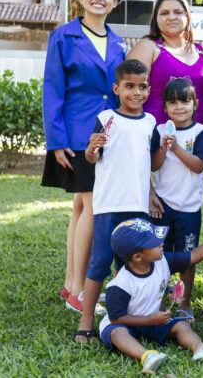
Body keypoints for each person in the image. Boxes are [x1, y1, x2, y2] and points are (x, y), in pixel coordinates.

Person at [42, 0, 127, 313]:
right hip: (77, 135)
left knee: (81, 206)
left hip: (108, 133)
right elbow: (51, 88)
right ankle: (79, 290)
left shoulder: (120, 42)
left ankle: (68, 282)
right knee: (92, 207)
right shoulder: (63, 36)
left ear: (116, 2)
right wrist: (56, 140)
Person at [74, 59, 158, 343]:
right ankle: (86, 319)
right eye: (129, 86)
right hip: (109, 205)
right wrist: (90, 149)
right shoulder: (107, 118)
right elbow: (91, 157)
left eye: (142, 86)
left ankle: (126, 316)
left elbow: (154, 162)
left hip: (137, 207)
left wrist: (167, 148)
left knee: (134, 262)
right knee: (100, 261)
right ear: (116, 88)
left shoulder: (150, 122)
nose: (137, 92)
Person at [100, 218, 203, 373]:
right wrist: (150, 320)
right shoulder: (120, 285)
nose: (161, 243)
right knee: (117, 333)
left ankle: (200, 348)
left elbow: (194, 256)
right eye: (154, 242)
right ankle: (146, 356)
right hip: (126, 324)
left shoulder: (163, 261)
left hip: (152, 322)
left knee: (181, 325)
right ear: (138, 257)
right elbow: (116, 318)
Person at [149, 78, 203, 317]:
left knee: (187, 257)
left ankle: (185, 302)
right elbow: (153, 166)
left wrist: (176, 148)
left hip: (189, 208)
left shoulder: (201, 133)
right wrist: (164, 148)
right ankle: (160, 302)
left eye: (185, 102)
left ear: (195, 104)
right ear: (165, 107)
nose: (179, 107)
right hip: (161, 206)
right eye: (172, 103)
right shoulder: (159, 130)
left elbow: (198, 166)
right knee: (158, 255)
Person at [127, 0, 203, 126]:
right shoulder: (148, 47)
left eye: (178, 12)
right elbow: (128, 93)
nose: (172, 17)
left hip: (193, 142)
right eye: (164, 13)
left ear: (187, 16)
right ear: (156, 18)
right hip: (154, 139)